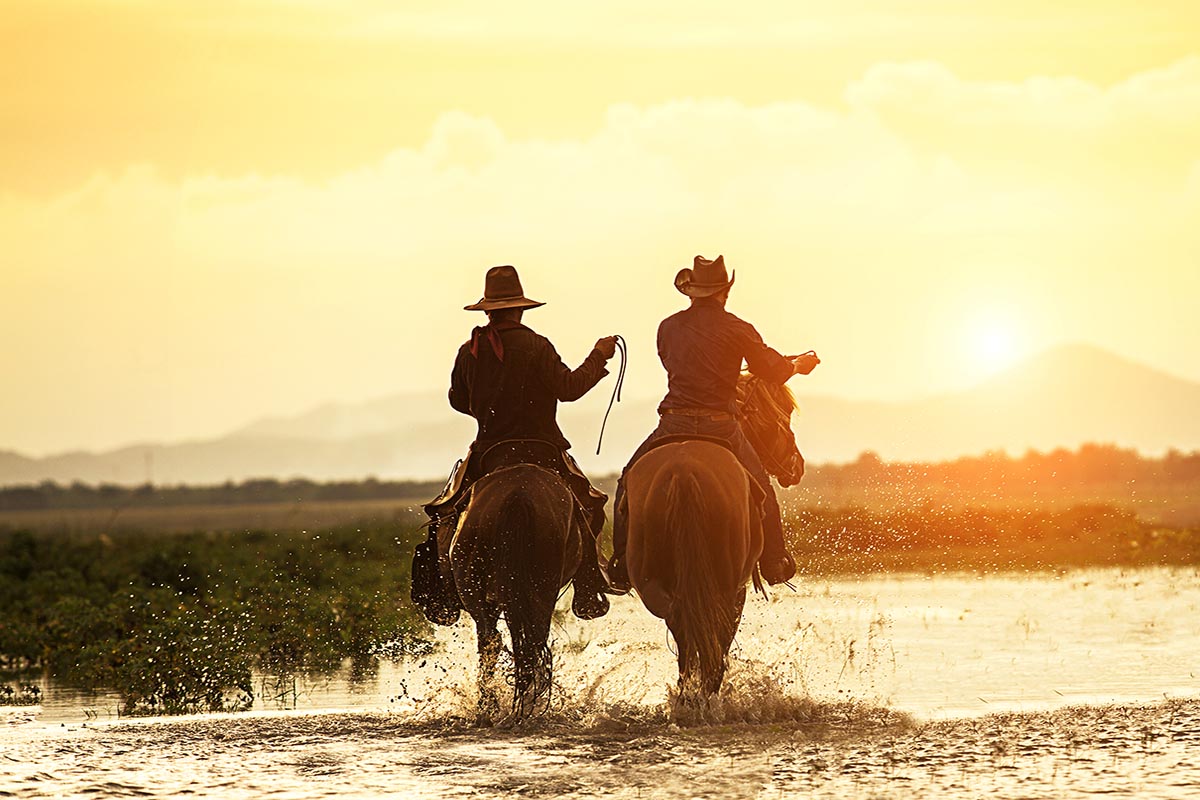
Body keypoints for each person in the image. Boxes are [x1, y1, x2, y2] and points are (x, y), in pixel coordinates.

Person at [416, 264, 619, 623]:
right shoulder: (537, 345)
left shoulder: (469, 351)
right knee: (590, 505)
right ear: (520, 309)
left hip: (489, 453)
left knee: (444, 512)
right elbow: (569, 389)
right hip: (543, 451)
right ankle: (588, 585)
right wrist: (598, 356)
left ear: (489, 309)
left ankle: (443, 591)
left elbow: (458, 401)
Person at [607, 254, 819, 591]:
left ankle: (619, 566)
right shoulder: (738, 328)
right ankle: (775, 561)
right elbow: (773, 371)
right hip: (720, 426)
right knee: (762, 490)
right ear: (725, 291)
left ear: (691, 292)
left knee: (626, 484)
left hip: (672, 423)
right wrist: (798, 365)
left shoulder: (668, 327)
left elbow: (672, 363)